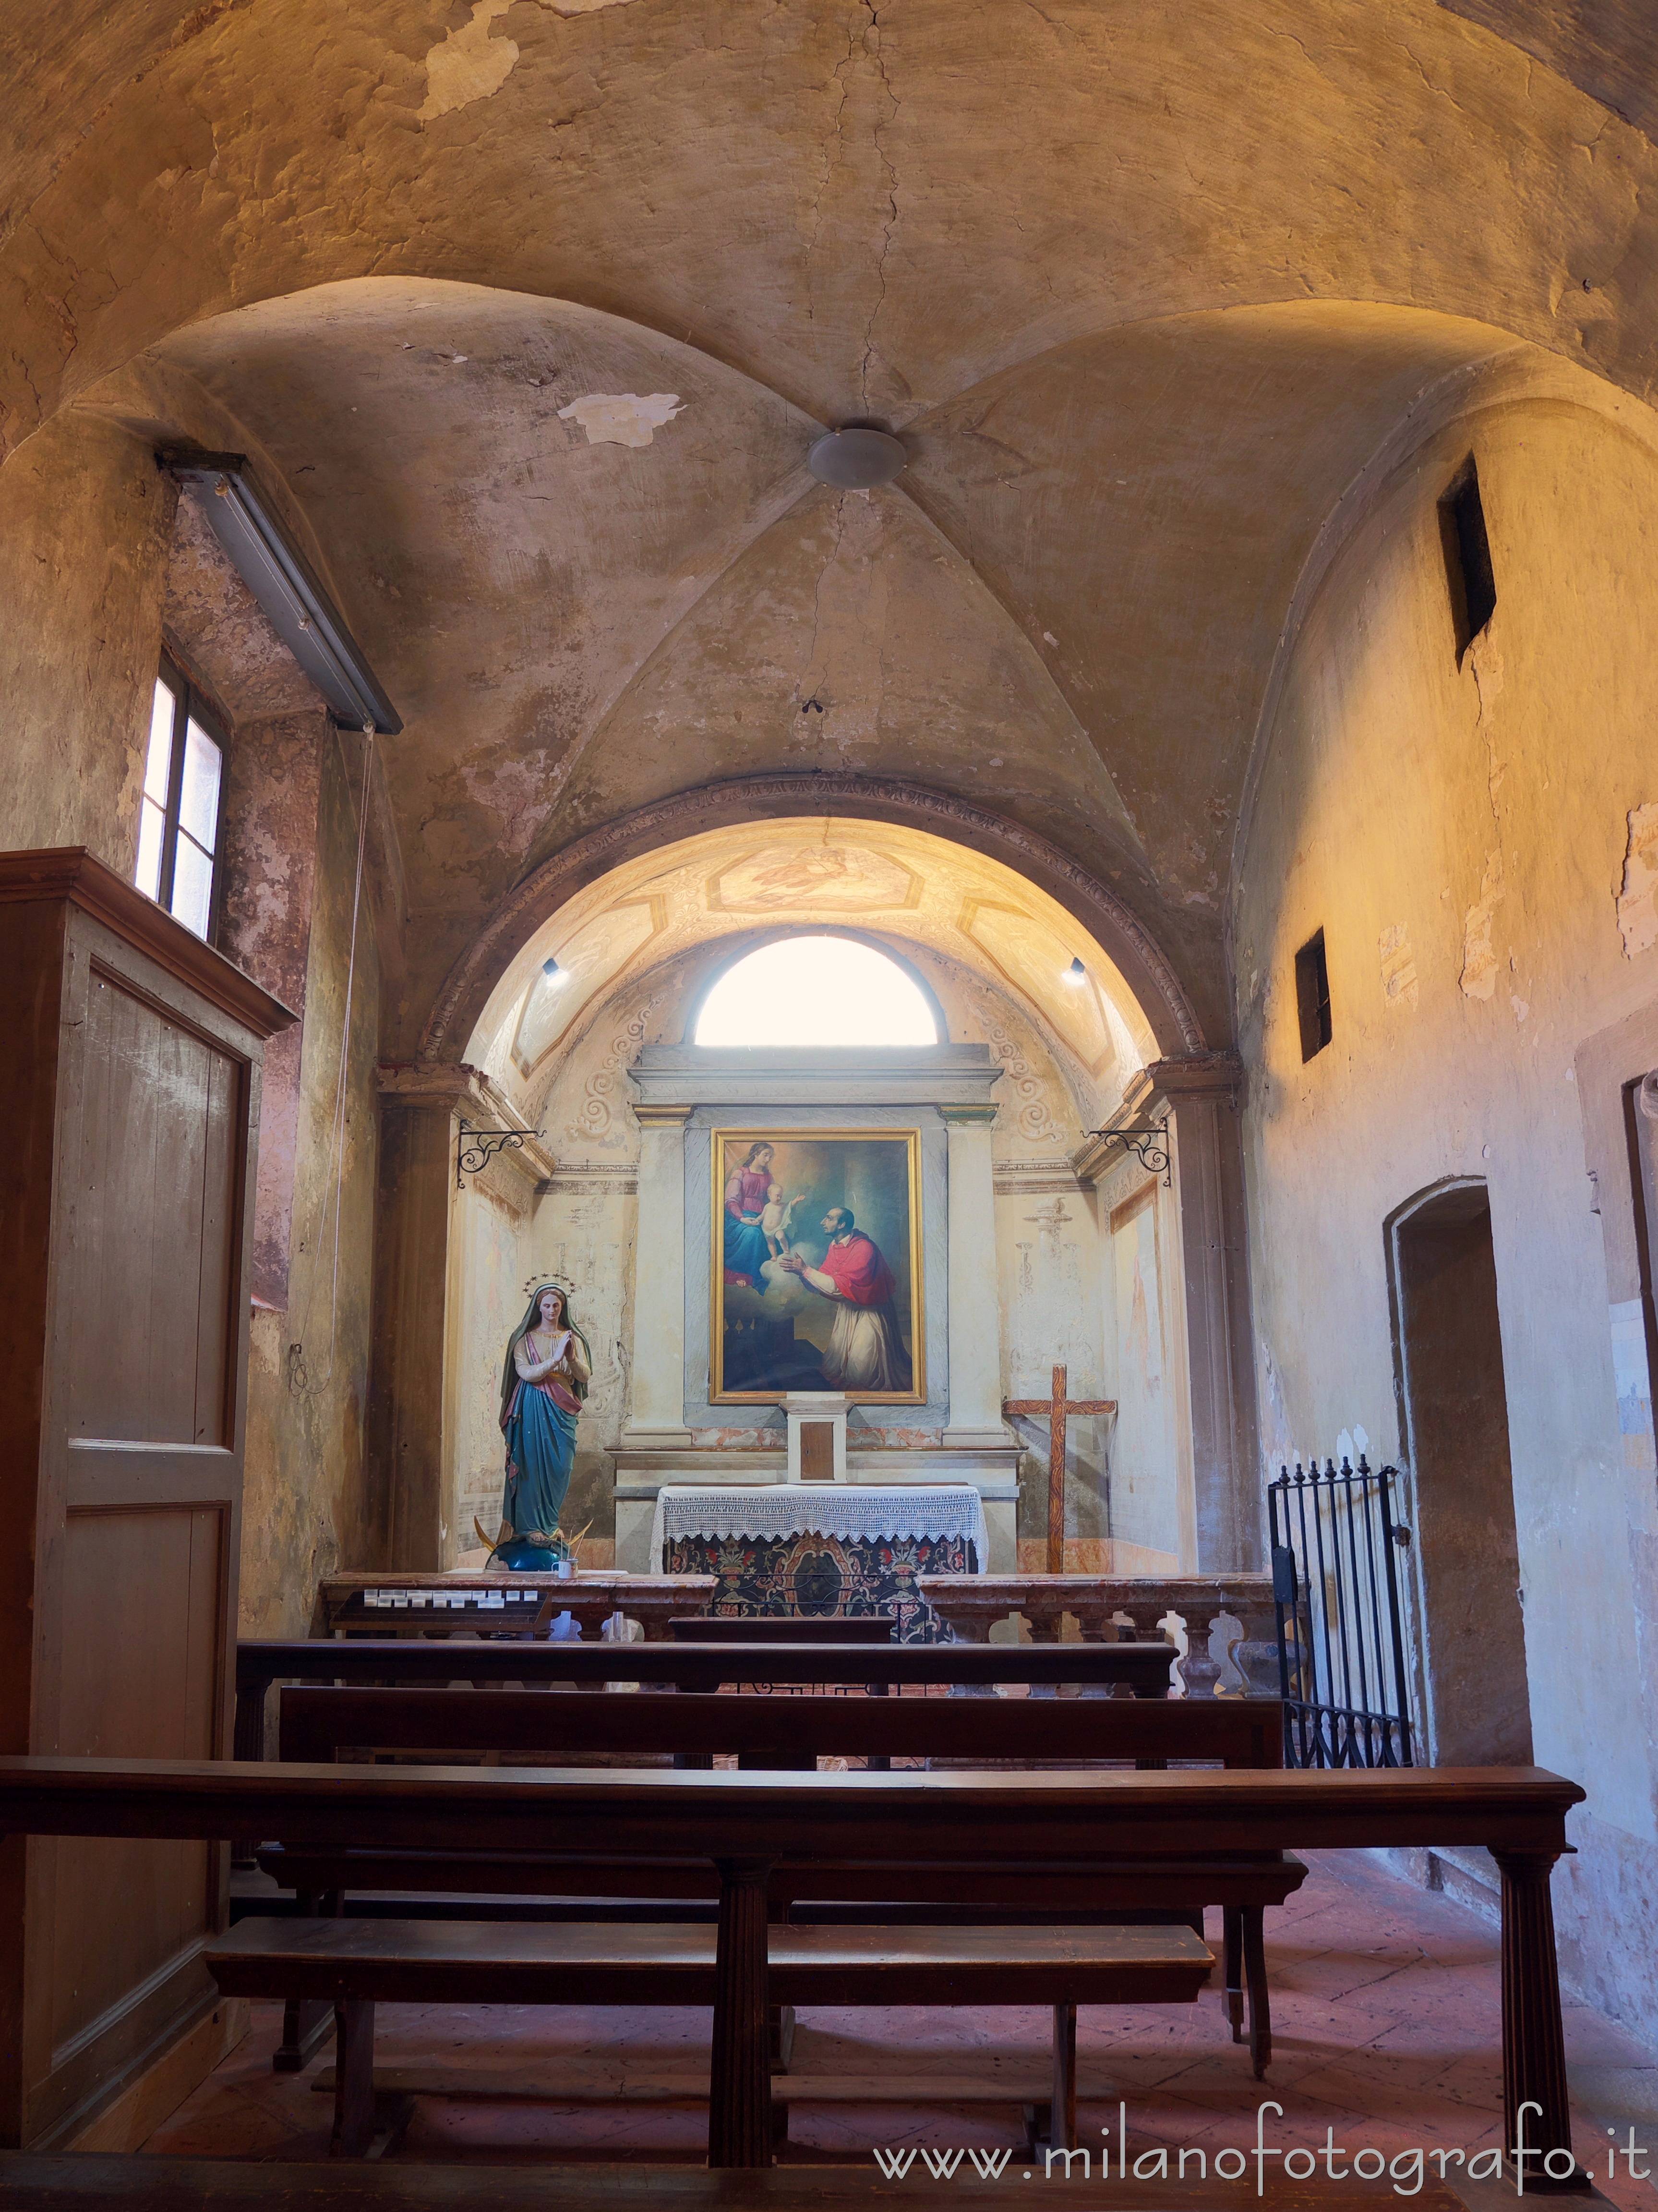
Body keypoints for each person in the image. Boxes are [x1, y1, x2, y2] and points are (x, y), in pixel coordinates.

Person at [496, 1283, 592, 1547]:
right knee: (532, 1465)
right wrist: (554, 1360)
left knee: (562, 1466)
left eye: (556, 1305)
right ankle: (531, 1526)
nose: (552, 1310)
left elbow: (584, 1376)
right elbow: (526, 1373)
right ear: (538, 1307)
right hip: (533, 1405)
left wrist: (571, 1358)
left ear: (563, 1308)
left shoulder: (573, 1338)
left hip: (563, 1408)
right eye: (547, 1305)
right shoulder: (524, 1339)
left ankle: (550, 1523)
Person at [780, 1204, 913, 1391]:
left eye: (829, 1218)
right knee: (841, 1367)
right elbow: (822, 1285)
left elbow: (838, 1288)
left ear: (842, 1224)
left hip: (871, 1313)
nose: (823, 1222)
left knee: (863, 1372)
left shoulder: (864, 1248)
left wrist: (806, 1271)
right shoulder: (835, 1247)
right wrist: (802, 1274)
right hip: (849, 1310)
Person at [722, 1140, 778, 1290]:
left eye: (771, 1156)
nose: (768, 1159)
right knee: (753, 1234)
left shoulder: (769, 1176)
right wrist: (742, 1218)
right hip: (739, 1218)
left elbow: (771, 1200)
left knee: (777, 1235)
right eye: (766, 1155)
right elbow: (730, 1200)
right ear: (756, 1154)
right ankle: (743, 1275)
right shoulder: (741, 1173)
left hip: (762, 1217)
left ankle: (768, 1274)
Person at [760, 1181, 804, 1259]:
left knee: (781, 1237)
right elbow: (762, 1216)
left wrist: (797, 1200)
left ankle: (786, 1250)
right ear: (770, 1195)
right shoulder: (767, 1206)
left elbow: (790, 1205)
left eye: (781, 1196)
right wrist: (757, 1220)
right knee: (771, 1243)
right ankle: (774, 1256)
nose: (779, 1198)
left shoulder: (782, 1206)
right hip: (767, 1230)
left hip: (778, 1228)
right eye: (777, 1196)